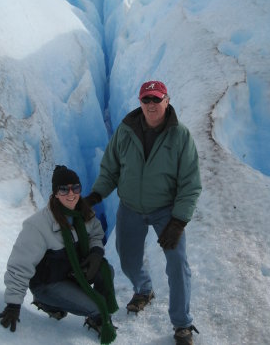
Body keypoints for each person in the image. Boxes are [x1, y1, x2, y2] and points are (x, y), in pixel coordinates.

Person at [84, 81, 202, 345]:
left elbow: (190, 183)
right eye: (146, 100)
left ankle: (182, 324)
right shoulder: (126, 132)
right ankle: (144, 289)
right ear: (140, 102)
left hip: (166, 211)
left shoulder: (180, 136)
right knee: (127, 260)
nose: (151, 105)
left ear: (167, 100)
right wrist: (96, 195)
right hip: (131, 208)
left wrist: (179, 221)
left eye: (156, 99)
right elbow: (110, 168)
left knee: (177, 264)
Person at [0, 165, 118, 345]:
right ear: (55, 193)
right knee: (96, 307)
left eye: (75, 188)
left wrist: (96, 252)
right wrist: (13, 304)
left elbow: (97, 234)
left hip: (71, 273)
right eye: (64, 189)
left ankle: (93, 316)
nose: (71, 194)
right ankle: (53, 303)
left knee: (106, 270)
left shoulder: (84, 213)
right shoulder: (38, 225)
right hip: (48, 283)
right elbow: (20, 265)